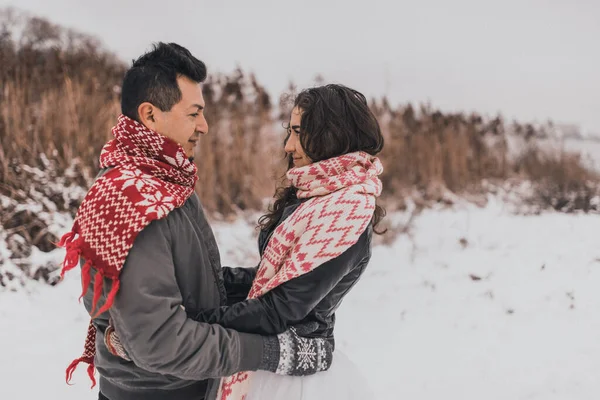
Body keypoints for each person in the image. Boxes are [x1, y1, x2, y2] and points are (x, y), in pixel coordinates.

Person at [57, 42, 334, 400]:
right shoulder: (133, 201)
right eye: (193, 113)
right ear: (150, 114)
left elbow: (189, 286)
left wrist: (277, 282)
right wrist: (271, 352)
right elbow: (159, 342)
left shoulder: (165, 181)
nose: (204, 125)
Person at [107, 84, 385, 399]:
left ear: (331, 136)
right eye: (289, 131)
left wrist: (182, 321)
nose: (289, 145)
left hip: (292, 371)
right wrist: (205, 282)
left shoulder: (344, 214)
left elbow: (278, 309)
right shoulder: (316, 196)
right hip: (267, 354)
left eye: (299, 132)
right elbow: (271, 281)